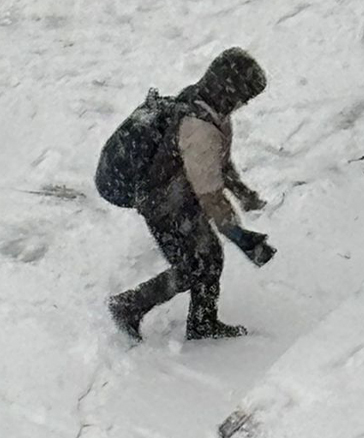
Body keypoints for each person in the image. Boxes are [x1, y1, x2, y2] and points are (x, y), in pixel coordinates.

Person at [108, 48, 276, 342]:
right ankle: (129, 306)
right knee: (195, 265)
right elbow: (211, 195)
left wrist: (242, 191)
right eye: (244, 95)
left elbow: (218, 163)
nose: (244, 103)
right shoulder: (200, 129)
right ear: (228, 90)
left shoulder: (203, 106)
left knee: (208, 258)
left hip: (179, 195)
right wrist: (239, 236)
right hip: (163, 204)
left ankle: (202, 322)